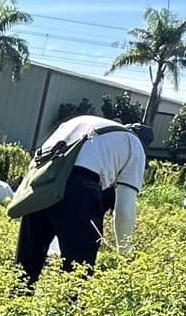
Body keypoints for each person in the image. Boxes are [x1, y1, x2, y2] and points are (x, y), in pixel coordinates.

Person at [16, 113, 148, 278]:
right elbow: (124, 209)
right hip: (80, 187)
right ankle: (69, 303)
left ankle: (16, 300)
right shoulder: (135, 145)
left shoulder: (87, 122)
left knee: (25, 268)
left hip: (41, 180)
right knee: (78, 271)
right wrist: (125, 254)